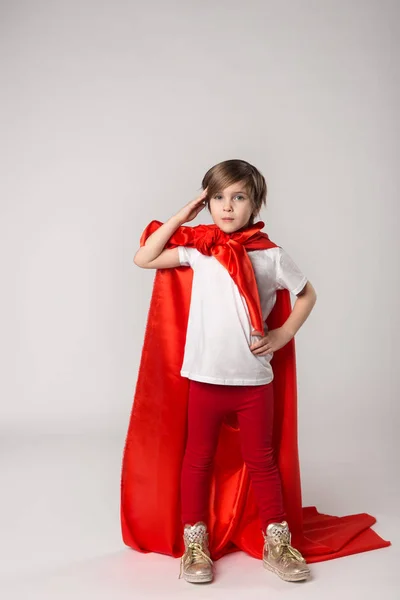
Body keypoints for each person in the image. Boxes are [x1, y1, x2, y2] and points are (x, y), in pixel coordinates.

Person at [133, 159, 317, 583]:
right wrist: (185, 213)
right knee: (197, 460)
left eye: (238, 197)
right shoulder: (200, 249)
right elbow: (145, 258)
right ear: (207, 202)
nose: (227, 206)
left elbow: (306, 294)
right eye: (218, 197)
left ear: (255, 204)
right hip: (205, 378)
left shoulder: (270, 255)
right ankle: (195, 544)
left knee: (262, 462)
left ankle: (277, 541)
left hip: (253, 381)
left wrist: (284, 332)